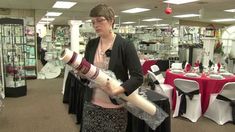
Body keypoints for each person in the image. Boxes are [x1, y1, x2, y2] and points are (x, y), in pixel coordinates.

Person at [80, 3, 143, 132]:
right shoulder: (91, 45)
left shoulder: (125, 45)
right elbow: (88, 75)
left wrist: (118, 90)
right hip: (91, 104)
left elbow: (137, 77)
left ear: (111, 20)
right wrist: (82, 74)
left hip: (115, 107)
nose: (96, 25)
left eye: (100, 20)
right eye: (93, 22)